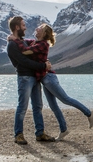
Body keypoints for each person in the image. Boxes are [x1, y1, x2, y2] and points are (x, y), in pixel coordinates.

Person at [12, 23, 93, 140]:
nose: (36, 28)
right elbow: (26, 41)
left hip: (48, 78)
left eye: (40, 28)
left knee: (65, 99)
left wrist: (14, 40)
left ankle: (89, 113)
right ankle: (64, 129)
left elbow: (25, 51)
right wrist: (17, 39)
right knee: (53, 105)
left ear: (44, 33)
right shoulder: (35, 42)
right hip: (43, 79)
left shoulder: (43, 44)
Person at [7, 16, 56, 144]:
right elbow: (24, 61)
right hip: (24, 77)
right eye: (23, 25)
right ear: (17, 27)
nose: (25, 27)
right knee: (22, 106)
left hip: (34, 77)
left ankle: (40, 133)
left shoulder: (22, 42)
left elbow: (35, 44)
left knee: (38, 106)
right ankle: (18, 134)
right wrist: (43, 66)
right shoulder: (12, 45)